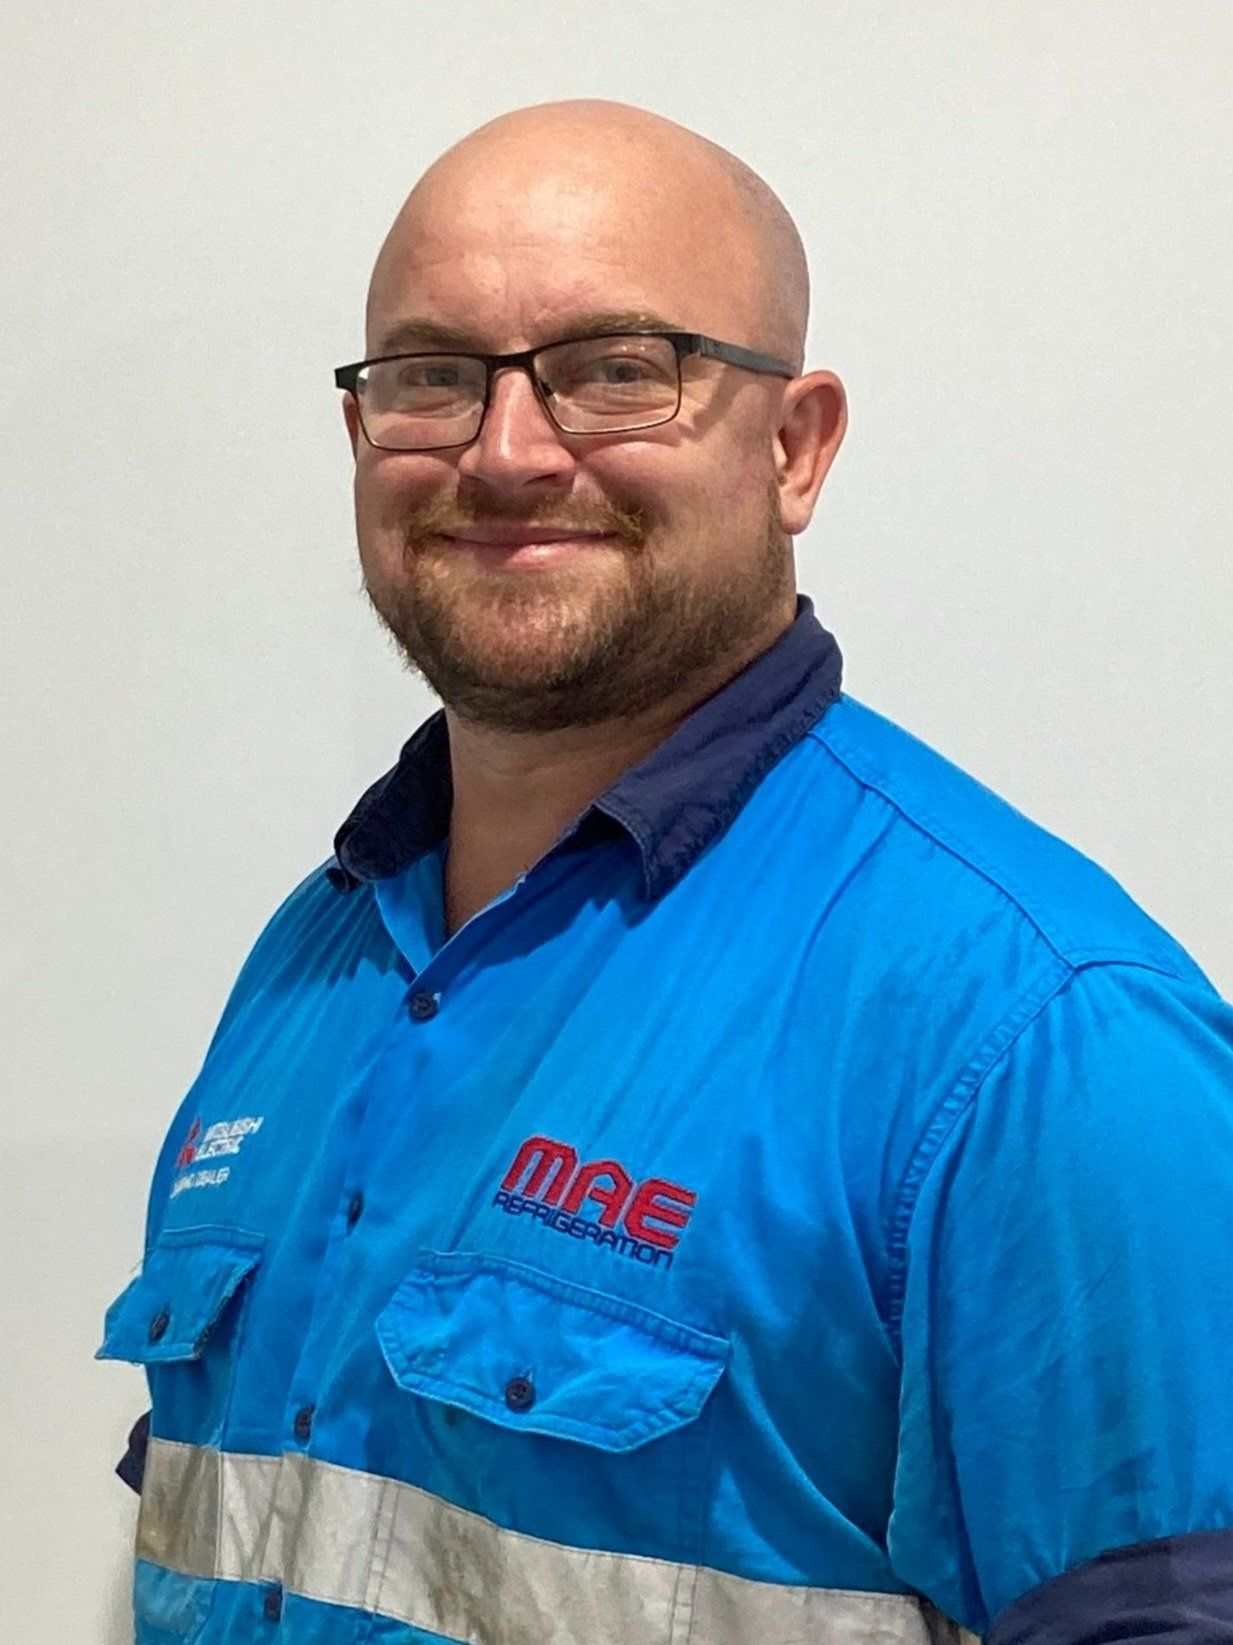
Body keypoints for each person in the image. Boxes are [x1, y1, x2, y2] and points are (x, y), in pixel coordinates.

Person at [98, 98, 1233, 1644]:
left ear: (794, 444)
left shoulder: (1038, 1038)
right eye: (433, 376)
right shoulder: (316, 959)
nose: (506, 451)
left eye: (616, 370)